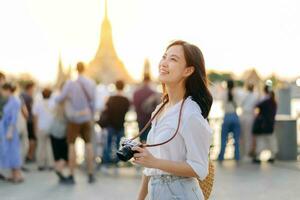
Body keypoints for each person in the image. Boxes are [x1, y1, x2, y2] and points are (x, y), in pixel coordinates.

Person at [134, 40, 213, 200]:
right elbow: (150, 168)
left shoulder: (190, 113)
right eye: (164, 57)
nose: (164, 63)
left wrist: (155, 162)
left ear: (188, 70)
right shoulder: (160, 109)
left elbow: (200, 168)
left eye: (173, 59)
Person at [56, 62, 96, 184]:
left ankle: (72, 175)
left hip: (73, 119)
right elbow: (94, 103)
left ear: (75, 69)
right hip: (87, 118)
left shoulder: (70, 83)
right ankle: (90, 174)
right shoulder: (91, 83)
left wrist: (67, 97)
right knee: (89, 145)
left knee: (72, 146)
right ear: (85, 69)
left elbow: (59, 99)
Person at [101, 80, 130, 167]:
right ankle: (117, 162)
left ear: (115, 86)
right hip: (120, 125)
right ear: (123, 87)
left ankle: (107, 162)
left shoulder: (111, 99)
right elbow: (126, 111)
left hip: (110, 125)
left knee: (108, 144)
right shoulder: (126, 100)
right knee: (119, 145)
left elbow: (106, 110)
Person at [0, 83, 23, 183]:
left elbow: (13, 118)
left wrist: (10, 131)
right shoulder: (10, 100)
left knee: (13, 151)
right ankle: (14, 175)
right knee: (9, 151)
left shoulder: (14, 101)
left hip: (10, 129)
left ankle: (17, 175)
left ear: (8, 90)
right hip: (6, 128)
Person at [252, 85, 277, 163]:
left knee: (261, 140)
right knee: (271, 140)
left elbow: (256, 106)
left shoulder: (265, 101)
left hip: (263, 124)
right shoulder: (274, 102)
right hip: (271, 124)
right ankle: (273, 155)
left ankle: (258, 156)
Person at [218, 79, 241, 161]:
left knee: (223, 139)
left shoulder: (224, 93)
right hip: (235, 116)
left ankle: (221, 157)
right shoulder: (237, 93)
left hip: (227, 116)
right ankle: (237, 157)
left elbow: (221, 105)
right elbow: (239, 104)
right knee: (236, 140)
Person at [133, 74, 159, 143]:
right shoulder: (153, 93)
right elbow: (156, 107)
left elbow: (135, 106)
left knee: (141, 139)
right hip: (149, 119)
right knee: (148, 139)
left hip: (140, 118)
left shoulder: (136, 93)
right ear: (149, 81)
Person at [33, 88, 54, 171]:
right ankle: (51, 164)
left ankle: (40, 164)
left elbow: (35, 117)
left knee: (40, 146)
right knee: (50, 146)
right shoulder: (53, 104)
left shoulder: (38, 104)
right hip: (50, 127)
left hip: (40, 127)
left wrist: (35, 128)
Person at [239, 84, 258, 160]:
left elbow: (240, 104)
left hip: (243, 116)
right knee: (249, 136)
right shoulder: (255, 95)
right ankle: (247, 154)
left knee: (242, 136)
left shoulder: (244, 94)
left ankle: (242, 154)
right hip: (250, 116)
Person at [20, 81, 36, 162]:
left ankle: (29, 155)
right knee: (31, 138)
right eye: (33, 88)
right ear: (30, 88)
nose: (34, 90)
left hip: (26, 120)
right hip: (29, 120)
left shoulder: (22, 95)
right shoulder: (28, 97)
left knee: (30, 138)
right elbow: (27, 110)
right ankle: (30, 156)